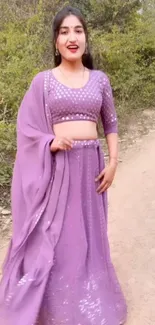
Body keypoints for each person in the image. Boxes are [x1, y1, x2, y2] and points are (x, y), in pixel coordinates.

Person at [0, 5, 127, 325]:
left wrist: (113, 163)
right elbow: (27, 129)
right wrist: (49, 142)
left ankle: (89, 302)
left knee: (87, 237)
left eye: (78, 31)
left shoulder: (100, 80)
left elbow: (110, 125)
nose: (72, 38)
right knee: (54, 236)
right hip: (56, 170)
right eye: (64, 32)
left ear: (86, 37)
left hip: (91, 170)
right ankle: (51, 308)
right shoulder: (43, 81)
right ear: (56, 41)